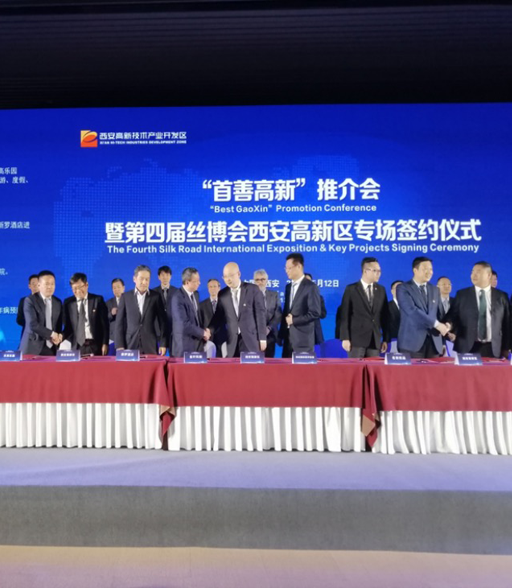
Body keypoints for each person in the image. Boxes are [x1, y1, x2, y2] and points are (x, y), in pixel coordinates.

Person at [447, 262, 510, 358]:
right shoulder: (462, 295)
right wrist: (448, 324)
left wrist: (506, 348)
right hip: (467, 347)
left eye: (478, 272)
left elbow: (507, 324)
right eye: (472, 272)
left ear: (489, 275)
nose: (474, 275)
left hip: (493, 348)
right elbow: (452, 316)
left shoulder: (502, 296)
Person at [396, 257, 449, 358]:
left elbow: (440, 314)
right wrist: (437, 324)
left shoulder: (435, 289)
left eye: (431, 269)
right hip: (411, 344)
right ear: (415, 270)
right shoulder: (403, 288)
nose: (429, 272)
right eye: (425, 269)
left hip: (434, 344)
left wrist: (444, 337)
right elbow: (412, 311)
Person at [212, 262, 267, 357]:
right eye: (225, 277)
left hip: (251, 340)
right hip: (232, 342)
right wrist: (209, 330)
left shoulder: (252, 289)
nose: (228, 279)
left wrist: (262, 338)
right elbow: (218, 317)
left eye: (230, 275)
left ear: (238, 274)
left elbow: (260, 314)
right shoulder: (222, 294)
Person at [339, 257, 389, 358]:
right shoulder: (351, 289)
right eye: (375, 271)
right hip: (355, 341)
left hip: (374, 341)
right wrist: (345, 338)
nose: (378, 273)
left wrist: (385, 339)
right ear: (365, 271)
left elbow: (385, 316)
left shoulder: (381, 290)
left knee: (374, 367)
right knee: (355, 367)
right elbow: (344, 315)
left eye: (379, 271)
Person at [115, 265, 167, 355]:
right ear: (134, 279)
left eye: (147, 279)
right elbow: (119, 323)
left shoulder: (156, 297)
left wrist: (163, 343)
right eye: (141, 279)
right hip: (130, 343)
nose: (144, 282)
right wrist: (120, 345)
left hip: (150, 344)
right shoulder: (125, 297)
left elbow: (163, 322)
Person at [279, 253, 322, 356]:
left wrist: (294, 320)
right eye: (285, 268)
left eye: (289, 268)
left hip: (303, 341)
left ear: (299, 266)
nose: (286, 271)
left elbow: (315, 313)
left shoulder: (311, 287)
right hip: (288, 340)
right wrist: (281, 334)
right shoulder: (288, 287)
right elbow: (287, 311)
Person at [61, 273, 109, 356]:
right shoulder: (68, 303)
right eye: (74, 288)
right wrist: (60, 337)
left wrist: (105, 343)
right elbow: (68, 327)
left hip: (95, 345)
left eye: (80, 287)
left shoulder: (97, 300)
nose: (78, 291)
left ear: (86, 285)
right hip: (77, 346)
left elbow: (105, 325)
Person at [19, 270, 63, 355]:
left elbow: (58, 325)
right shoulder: (30, 300)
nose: (50, 287)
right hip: (32, 347)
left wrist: (59, 336)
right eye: (47, 284)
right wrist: (52, 334)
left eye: (52, 284)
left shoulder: (57, 302)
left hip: (52, 347)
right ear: (39, 285)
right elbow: (33, 324)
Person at [170, 268, 210, 357]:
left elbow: (196, 318)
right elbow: (183, 324)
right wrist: (202, 333)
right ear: (187, 282)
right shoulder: (177, 298)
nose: (199, 283)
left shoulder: (196, 294)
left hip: (198, 344)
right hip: (184, 347)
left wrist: (204, 329)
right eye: (196, 281)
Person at [254, 269, 282, 358]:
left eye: (262, 279)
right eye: (257, 280)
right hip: (254, 335)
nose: (260, 282)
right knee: (254, 362)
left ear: (267, 281)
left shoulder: (274, 295)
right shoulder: (249, 296)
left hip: (270, 334)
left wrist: (269, 327)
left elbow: (278, 314)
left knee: (269, 362)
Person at [152, 265, 178, 351]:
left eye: (167, 275)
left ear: (171, 276)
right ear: (159, 277)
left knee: (174, 355)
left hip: (173, 328)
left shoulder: (177, 292)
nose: (165, 277)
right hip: (157, 329)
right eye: (162, 275)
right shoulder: (153, 292)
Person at [199, 278, 226, 356]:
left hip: (223, 339)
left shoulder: (225, 303)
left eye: (214, 286)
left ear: (219, 288)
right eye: (210, 287)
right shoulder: (201, 305)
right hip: (208, 339)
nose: (213, 289)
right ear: (208, 289)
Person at [304, 273, 326, 345]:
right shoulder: (295, 297)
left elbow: (323, 314)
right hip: (301, 333)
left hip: (315, 332)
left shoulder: (318, 297)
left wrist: (314, 311)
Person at [106, 278, 125, 348]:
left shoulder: (129, 301)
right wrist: (111, 313)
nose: (117, 289)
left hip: (127, 336)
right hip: (113, 338)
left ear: (123, 288)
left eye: (118, 287)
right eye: (114, 288)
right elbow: (104, 319)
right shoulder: (108, 303)